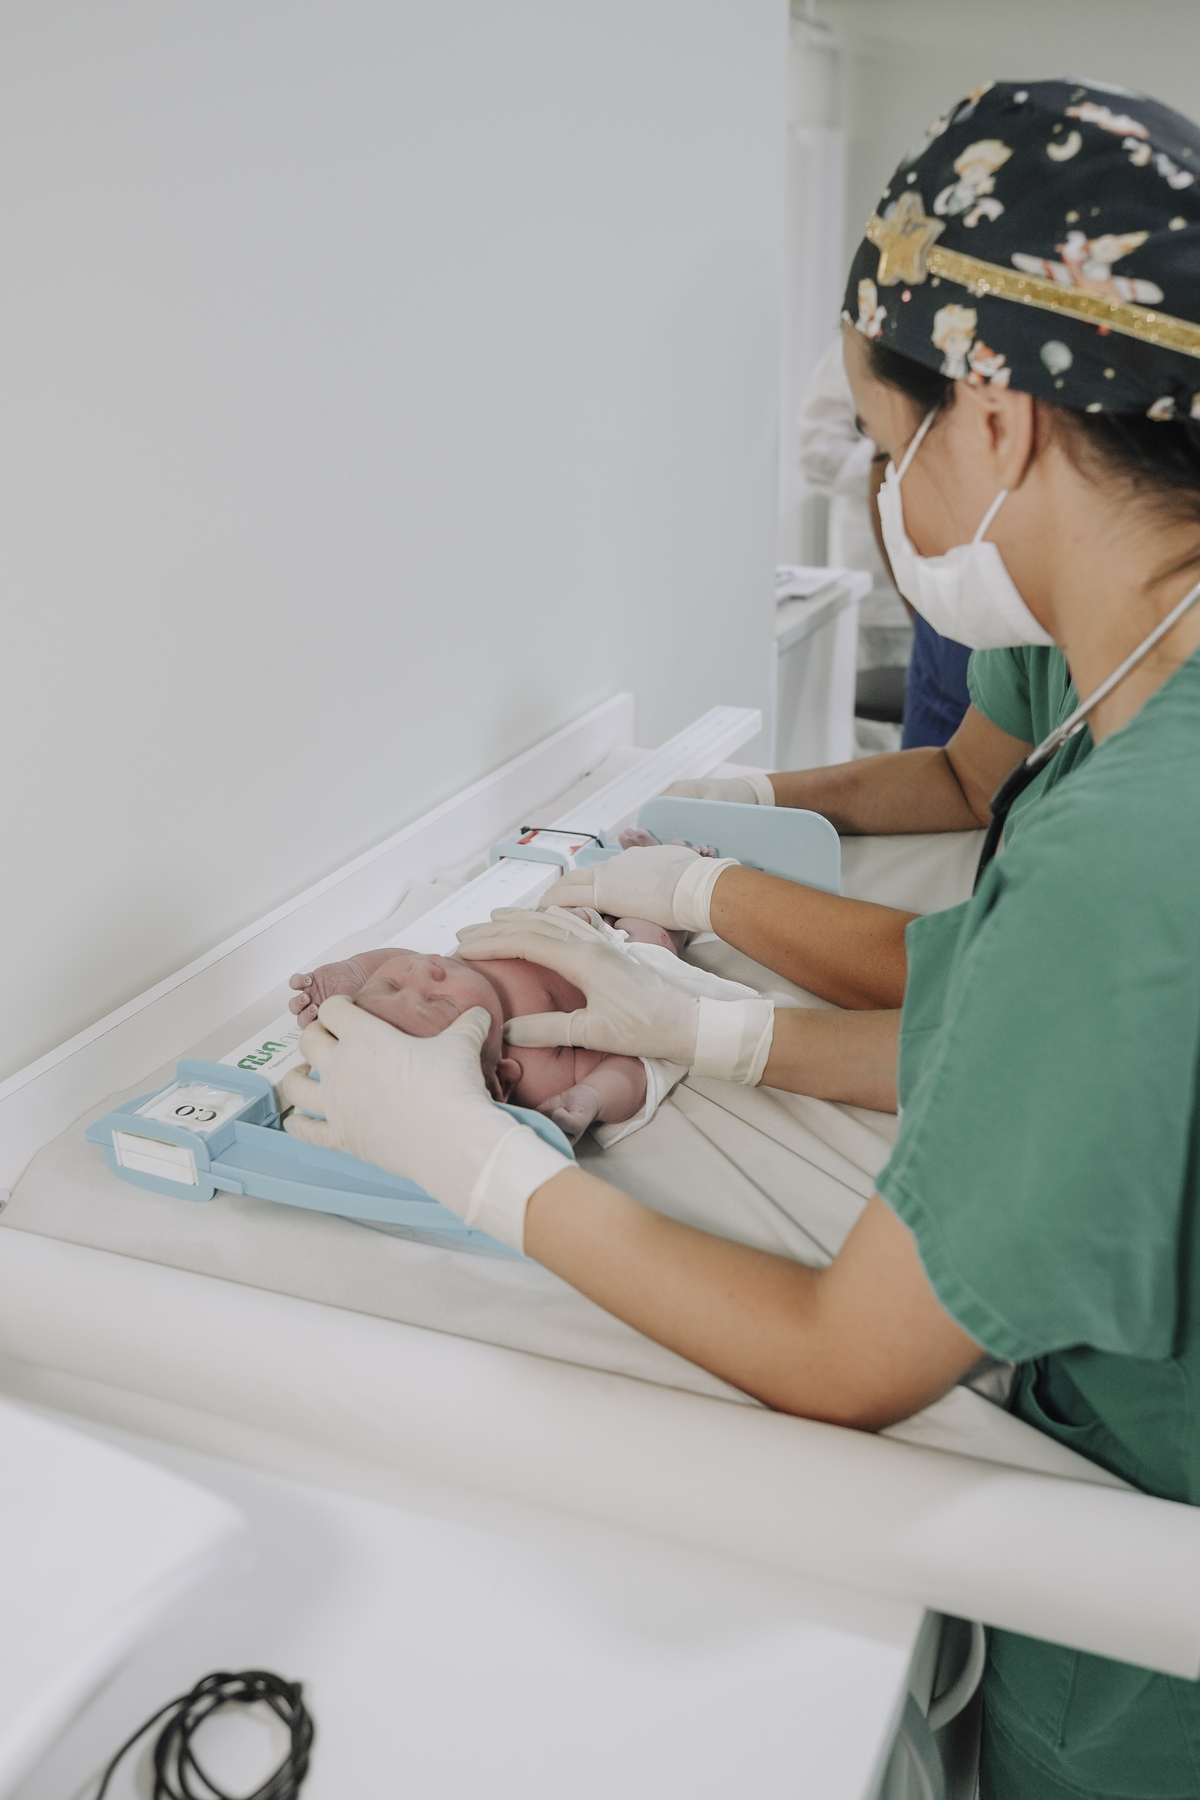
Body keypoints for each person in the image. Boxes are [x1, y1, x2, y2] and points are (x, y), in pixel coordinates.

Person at [282, 78, 1200, 1797]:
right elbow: (1061, 1048)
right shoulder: (1138, 722)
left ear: (997, 421)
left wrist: (477, 1165)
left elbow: (848, 1359)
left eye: (889, 442)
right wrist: (703, 1034)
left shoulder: (1139, 832)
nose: (883, 489)